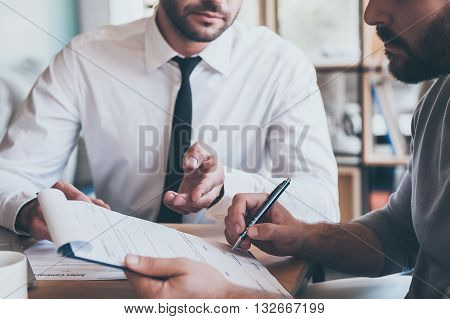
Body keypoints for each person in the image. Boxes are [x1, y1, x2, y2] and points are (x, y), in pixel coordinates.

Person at [123, 0, 450, 299]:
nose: (371, 15)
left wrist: (228, 300)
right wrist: (303, 236)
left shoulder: (279, 61)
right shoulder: (437, 101)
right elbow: (400, 235)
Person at [0, 0, 339, 239]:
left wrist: (226, 188)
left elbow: (321, 206)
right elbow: (10, 174)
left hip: (239, 262)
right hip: (115, 263)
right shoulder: (83, 60)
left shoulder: (282, 65)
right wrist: (29, 209)